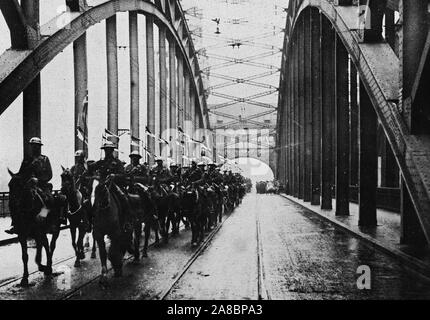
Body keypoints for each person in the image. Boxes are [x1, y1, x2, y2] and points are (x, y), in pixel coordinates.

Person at [6, 137, 53, 234]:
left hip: (42, 186)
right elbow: (21, 173)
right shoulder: (27, 160)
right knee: (16, 202)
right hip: (28, 186)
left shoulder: (45, 159)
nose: (34, 148)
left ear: (39, 147)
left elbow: (49, 174)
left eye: (36, 146)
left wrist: (38, 180)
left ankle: (48, 223)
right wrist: (15, 176)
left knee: (48, 200)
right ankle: (15, 224)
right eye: (32, 146)